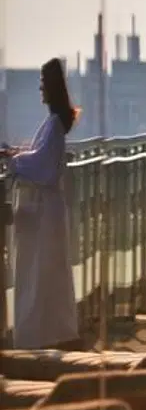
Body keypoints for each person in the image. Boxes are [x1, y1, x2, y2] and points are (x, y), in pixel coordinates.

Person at [0, 58, 81, 349]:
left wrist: (15, 160)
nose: (40, 88)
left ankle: (40, 334)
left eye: (43, 83)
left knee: (40, 275)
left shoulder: (55, 125)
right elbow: (41, 157)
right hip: (47, 212)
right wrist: (18, 155)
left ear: (52, 87)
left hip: (44, 214)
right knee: (45, 274)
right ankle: (49, 331)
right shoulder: (54, 123)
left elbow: (44, 166)